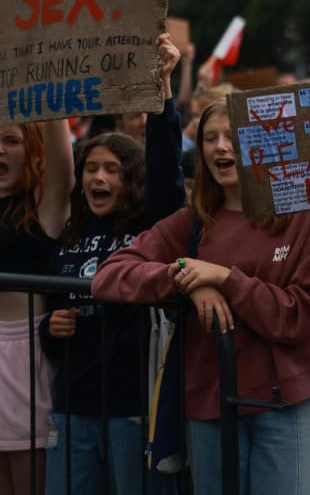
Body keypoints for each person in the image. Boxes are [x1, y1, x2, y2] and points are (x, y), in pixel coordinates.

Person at [91, 100, 310, 495]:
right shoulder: (192, 223)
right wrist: (185, 277)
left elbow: (301, 315)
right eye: (210, 138)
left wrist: (224, 278)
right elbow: (109, 276)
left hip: (285, 402)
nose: (220, 147)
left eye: (232, 137)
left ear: (265, 143)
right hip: (209, 404)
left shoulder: (304, 217)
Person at [40, 35, 184, 495]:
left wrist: (163, 89)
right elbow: (51, 313)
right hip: (72, 405)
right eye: (91, 169)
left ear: (131, 180)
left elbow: (166, 174)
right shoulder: (68, 232)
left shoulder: (149, 228)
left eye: (114, 170)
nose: (99, 178)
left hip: (130, 406)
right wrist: (51, 328)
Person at [0, 113, 74, 495]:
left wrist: (51, 91)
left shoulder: (43, 207)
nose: (0, 149)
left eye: (11, 140)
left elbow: (62, 164)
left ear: (31, 150)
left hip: (27, 359)